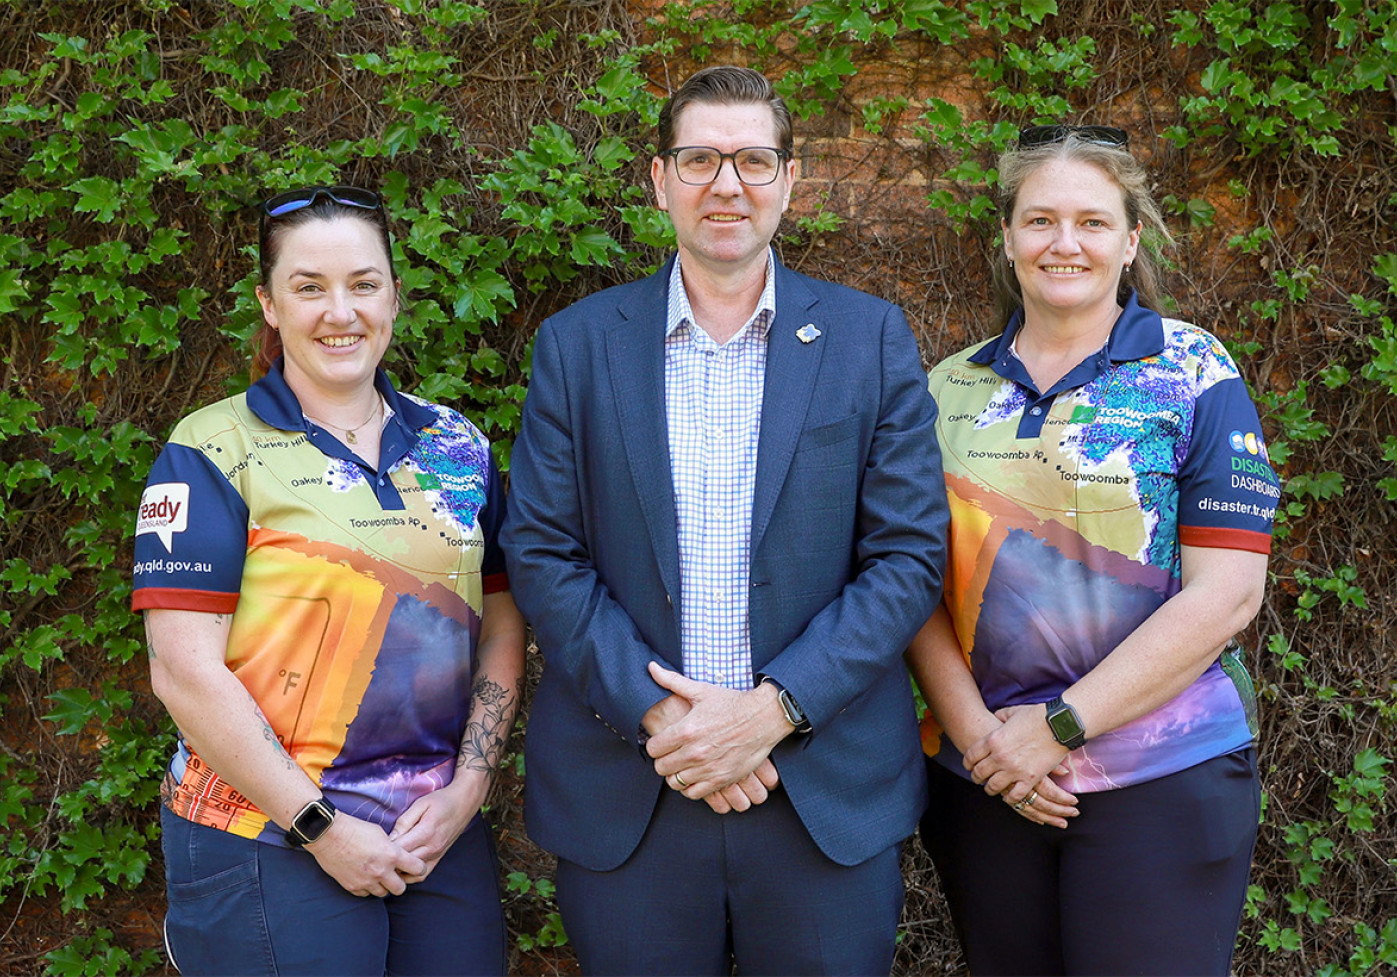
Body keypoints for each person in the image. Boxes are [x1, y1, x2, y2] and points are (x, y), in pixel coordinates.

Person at [500, 65, 948, 976]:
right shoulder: (577, 345)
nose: (727, 184)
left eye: (753, 160)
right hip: (635, 786)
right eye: (700, 159)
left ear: (790, 179)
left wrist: (772, 710)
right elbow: (542, 550)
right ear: (660, 179)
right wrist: (670, 719)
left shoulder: (868, 338)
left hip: (817, 788)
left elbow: (907, 555)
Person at [910, 124, 1278, 976]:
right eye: (1040, 220)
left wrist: (1060, 727)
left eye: (1093, 222)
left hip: (1162, 776)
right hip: (991, 780)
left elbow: (1228, 594)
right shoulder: (946, 388)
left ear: (1131, 239)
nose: (1064, 243)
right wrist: (985, 742)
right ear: (1008, 237)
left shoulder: (1193, 370)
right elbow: (911, 587)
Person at [132, 185, 525, 976]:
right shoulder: (210, 448)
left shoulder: (458, 444)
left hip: (433, 833)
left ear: (394, 297)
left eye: (363, 284)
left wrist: (469, 788)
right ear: (269, 305)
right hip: (266, 836)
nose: (340, 312)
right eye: (309, 287)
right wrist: (319, 826)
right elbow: (182, 670)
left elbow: (504, 618)